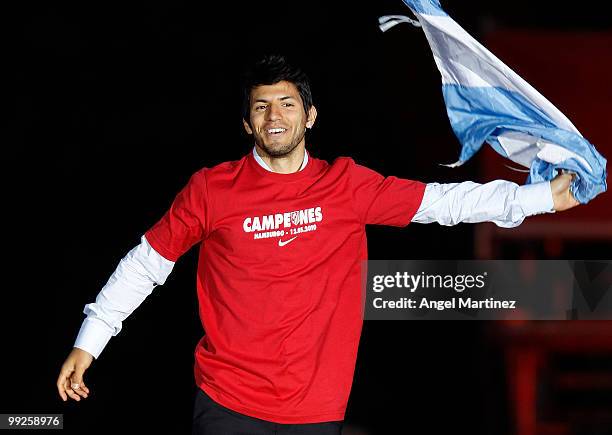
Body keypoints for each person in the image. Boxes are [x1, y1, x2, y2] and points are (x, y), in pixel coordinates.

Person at [56, 54, 579, 434]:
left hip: (316, 408)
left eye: (286, 104)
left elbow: (443, 203)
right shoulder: (212, 189)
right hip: (227, 401)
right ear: (247, 122)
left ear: (309, 116)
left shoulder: (346, 186)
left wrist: (542, 197)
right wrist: (90, 339)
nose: (274, 116)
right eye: (262, 108)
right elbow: (146, 264)